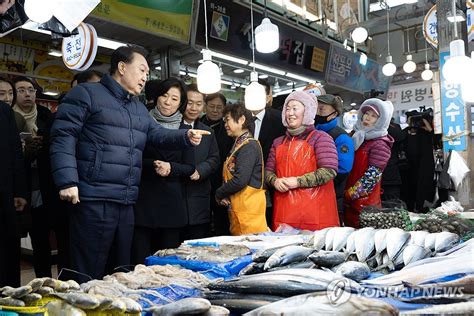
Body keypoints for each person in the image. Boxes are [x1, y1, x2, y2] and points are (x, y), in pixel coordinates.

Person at [50, 46, 204, 283]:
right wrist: (67, 181)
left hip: (126, 200)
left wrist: (186, 137)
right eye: (141, 69)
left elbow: (158, 134)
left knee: (121, 270)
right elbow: (63, 136)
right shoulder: (86, 94)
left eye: (147, 72)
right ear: (122, 67)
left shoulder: (138, 107)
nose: (145, 77)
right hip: (94, 197)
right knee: (87, 269)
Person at [133, 77, 196, 263]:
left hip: (171, 206)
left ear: (180, 103)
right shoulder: (141, 124)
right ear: (157, 96)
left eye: (174, 99)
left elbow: (190, 167)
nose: (168, 102)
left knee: (167, 264)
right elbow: (132, 156)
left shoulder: (185, 130)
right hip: (143, 203)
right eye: (164, 95)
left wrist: (171, 168)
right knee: (139, 260)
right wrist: (152, 164)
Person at [265, 91, 340, 231]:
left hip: (316, 215)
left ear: (307, 112)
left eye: (295, 108)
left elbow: (329, 171)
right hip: (284, 214)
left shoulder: (320, 138)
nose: (290, 113)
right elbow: (268, 172)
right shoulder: (278, 142)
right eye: (287, 109)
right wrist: (274, 181)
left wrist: (297, 181)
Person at [13, 76, 62, 278]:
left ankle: (44, 284)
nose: (27, 94)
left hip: (42, 187)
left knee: (41, 241)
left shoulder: (45, 115)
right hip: (16, 188)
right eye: (22, 90)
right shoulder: (8, 117)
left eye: (31, 90)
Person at [215, 103, 268, 235]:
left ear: (242, 120)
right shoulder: (239, 144)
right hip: (240, 210)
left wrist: (219, 193)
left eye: (227, 119)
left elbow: (240, 180)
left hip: (249, 213)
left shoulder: (249, 146)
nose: (225, 124)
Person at [344, 99, 394, 228]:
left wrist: (351, 194)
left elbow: (372, 176)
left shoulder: (380, 143)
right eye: (367, 113)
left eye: (374, 116)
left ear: (381, 120)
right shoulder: (355, 136)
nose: (368, 117)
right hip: (348, 201)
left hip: (365, 204)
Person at [182, 84, 219, 240]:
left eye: (198, 104)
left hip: (199, 196)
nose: (193, 108)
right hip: (176, 197)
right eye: (190, 103)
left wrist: (201, 170)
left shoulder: (208, 131)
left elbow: (215, 158)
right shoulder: (171, 128)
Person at [0, 100, 27, 287]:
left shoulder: (3, 111)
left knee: (5, 257)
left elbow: (15, 151)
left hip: (3, 195)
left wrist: (19, 190)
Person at [315, 94, 354, 222]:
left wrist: (318, 183)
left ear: (334, 114)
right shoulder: (311, 132)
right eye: (316, 108)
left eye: (322, 109)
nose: (317, 112)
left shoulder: (341, 137)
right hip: (311, 196)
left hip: (332, 197)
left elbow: (343, 169)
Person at [252, 80, 286, 225]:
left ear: (267, 97)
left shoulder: (280, 119)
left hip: (270, 186)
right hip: (241, 187)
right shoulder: (238, 118)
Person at [200, 92, 233, 236]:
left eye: (219, 107)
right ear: (205, 107)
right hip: (200, 180)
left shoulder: (229, 129)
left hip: (221, 183)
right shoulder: (197, 125)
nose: (215, 110)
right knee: (202, 221)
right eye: (211, 106)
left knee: (222, 223)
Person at [401, 110, 436, 212]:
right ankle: (413, 208)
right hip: (411, 169)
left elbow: (432, 133)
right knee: (411, 189)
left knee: (421, 189)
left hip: (421, 169)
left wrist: (423, 120)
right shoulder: (405, 134)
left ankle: (419, 208)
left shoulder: (424, 134)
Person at [381, 118, 405, 201]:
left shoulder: (393, 128)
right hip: (375, 178)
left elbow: (400, 137)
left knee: (393, 204)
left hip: (390, 175)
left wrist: (384, 124)